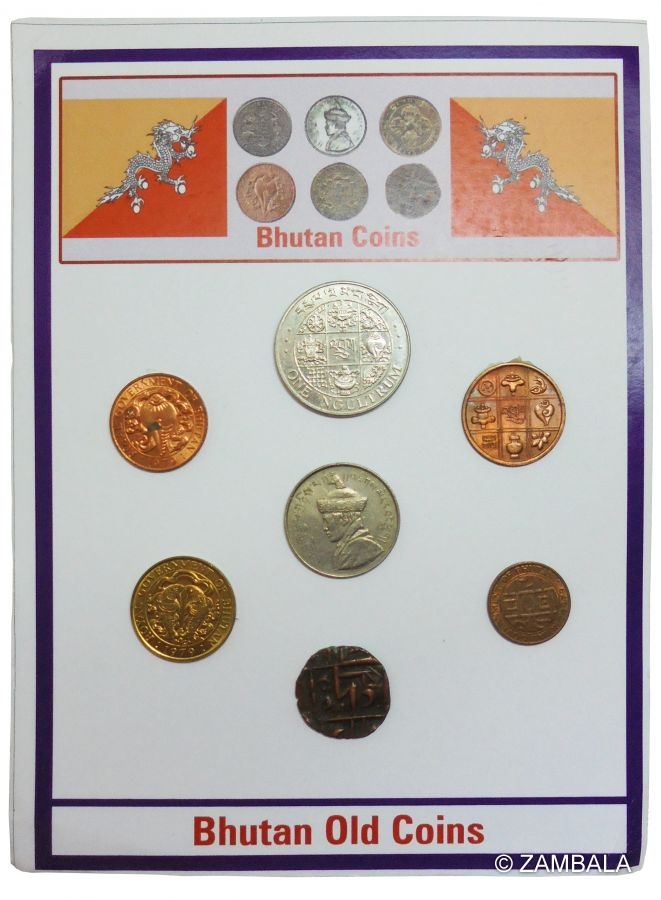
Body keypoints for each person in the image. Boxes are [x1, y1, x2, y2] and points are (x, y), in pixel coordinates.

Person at [317, 477, 383, 570]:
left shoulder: (360, 546)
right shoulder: (348, 545)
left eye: (327, 521)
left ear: (345, 519)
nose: (325, 528)